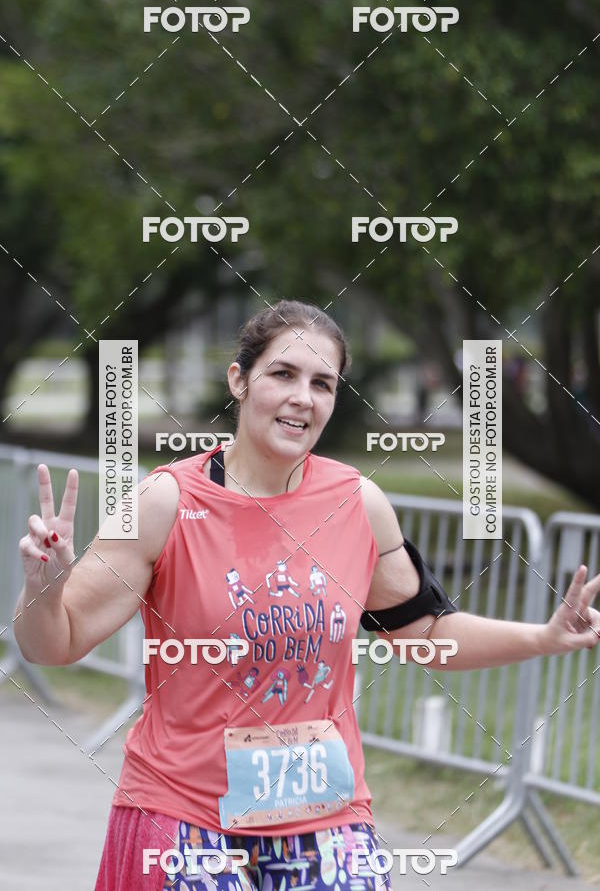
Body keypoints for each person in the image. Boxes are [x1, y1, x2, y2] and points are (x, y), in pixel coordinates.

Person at [14, 300, 600, 891]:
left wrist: (545, 637)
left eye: (323, 383)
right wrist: (45, 585)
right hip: (185, 814)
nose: (304, 398)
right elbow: (54, 644)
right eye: (284, 374)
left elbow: (425, 634)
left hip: (323, 815)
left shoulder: (358, 503)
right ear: (239, 381)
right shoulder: (164, 502)